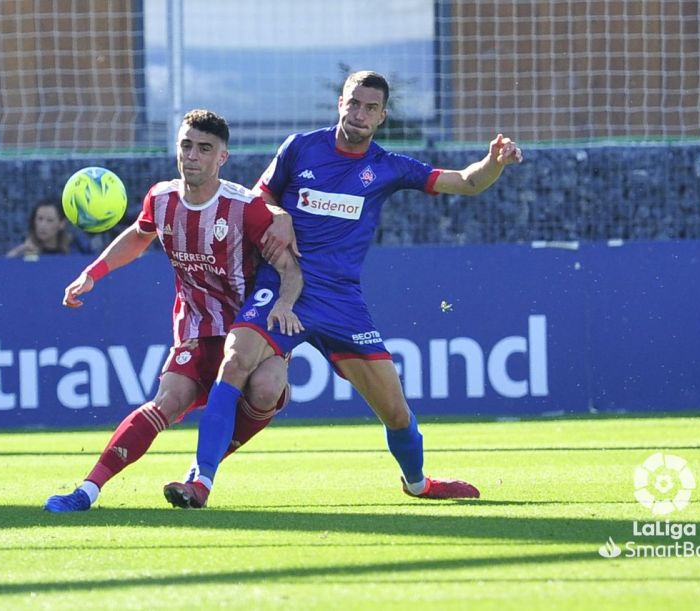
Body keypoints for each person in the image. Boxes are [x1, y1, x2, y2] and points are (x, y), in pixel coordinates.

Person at [162, 71, 523, 509]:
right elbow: (262, 200)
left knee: (395, 411)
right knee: (236, 361)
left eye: (370, 107)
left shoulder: (389, 167)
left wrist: (495, 163)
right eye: (354, 103)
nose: (360, 113)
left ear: (382, 115)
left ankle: (417, 483)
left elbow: (466, 182)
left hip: (341, 302)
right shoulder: (300, 148)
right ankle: (200, 480)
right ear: (340, 103)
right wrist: (279, 212)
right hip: (280, 287)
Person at [44, 109, 303, 512]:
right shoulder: (161, 198)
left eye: (205, 149)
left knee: (266, 389)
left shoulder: (245, 208)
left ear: (222, 158)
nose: (193, 156)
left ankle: (200, 474)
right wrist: (93, 273)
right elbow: (138, 235)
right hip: (198, 326)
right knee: (166, 402)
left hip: (251, 326)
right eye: (186, 146)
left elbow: (290, 268)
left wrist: (285, 304)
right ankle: (87, 491)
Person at [6, 198, 73, 257]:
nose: (43, 225)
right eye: (40, 219)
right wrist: (18, 251)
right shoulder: (23, 249)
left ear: (62, 224)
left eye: (50, 220)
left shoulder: (73, 249)